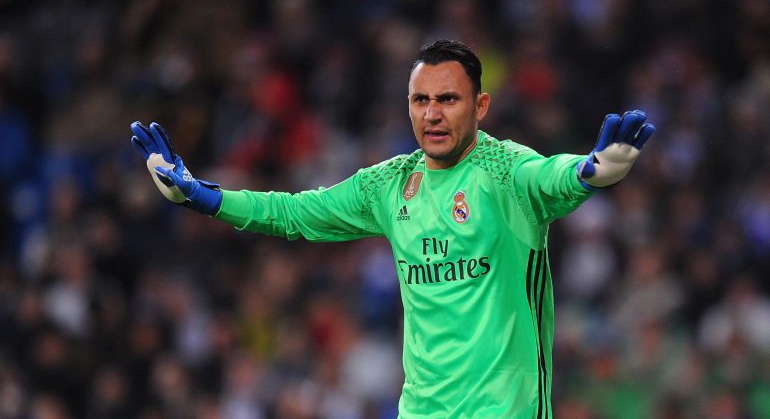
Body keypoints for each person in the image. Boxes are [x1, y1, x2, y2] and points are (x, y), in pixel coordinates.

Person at [130, 39, 655, 418]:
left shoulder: (505, 170)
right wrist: (204, 197)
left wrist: (588, 172)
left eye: (448, 99)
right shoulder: (390, 184)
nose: (432, 114)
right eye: (421, 100)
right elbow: (294, 213)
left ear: (480, 106)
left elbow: (552, 177)